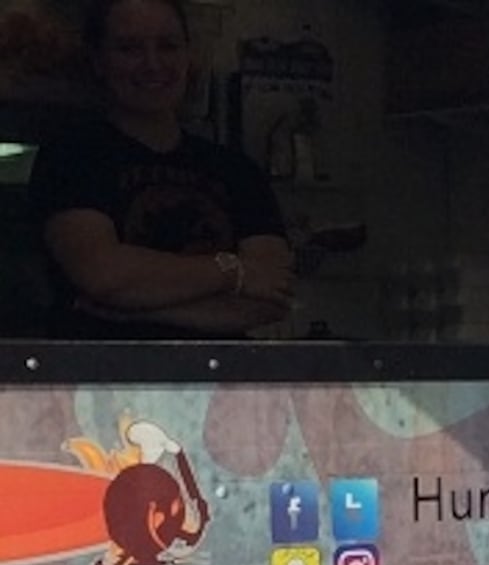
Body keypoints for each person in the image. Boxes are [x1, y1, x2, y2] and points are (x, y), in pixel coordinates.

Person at [28, 0, 292, 338]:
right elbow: (102, 275)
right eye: (129, 48)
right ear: (98, 60)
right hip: (98, 383)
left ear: (188, 55)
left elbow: (272, 295)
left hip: (222, 386)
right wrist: (233, 271)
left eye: (167, 46)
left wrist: (138, 308)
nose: (152, 64)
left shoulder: (237, 171)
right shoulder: (71, 156)